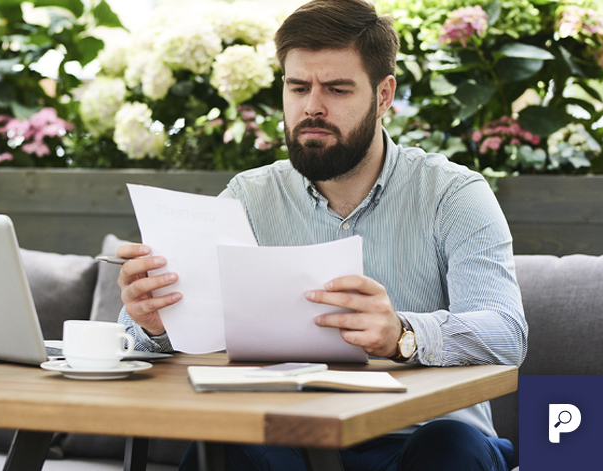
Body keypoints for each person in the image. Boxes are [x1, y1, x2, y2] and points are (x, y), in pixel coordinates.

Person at [116, 0, 527, 469]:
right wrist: (153, 324)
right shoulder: (247, 197)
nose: (312, 107)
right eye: (298, 87)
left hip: (420, 440)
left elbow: (507, 333)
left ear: (384, 94)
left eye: (336, 88)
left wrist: (402, 334)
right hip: (290, 439)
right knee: (224, 449)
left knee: (453, 447)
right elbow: (168, 333)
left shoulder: (453, 194)